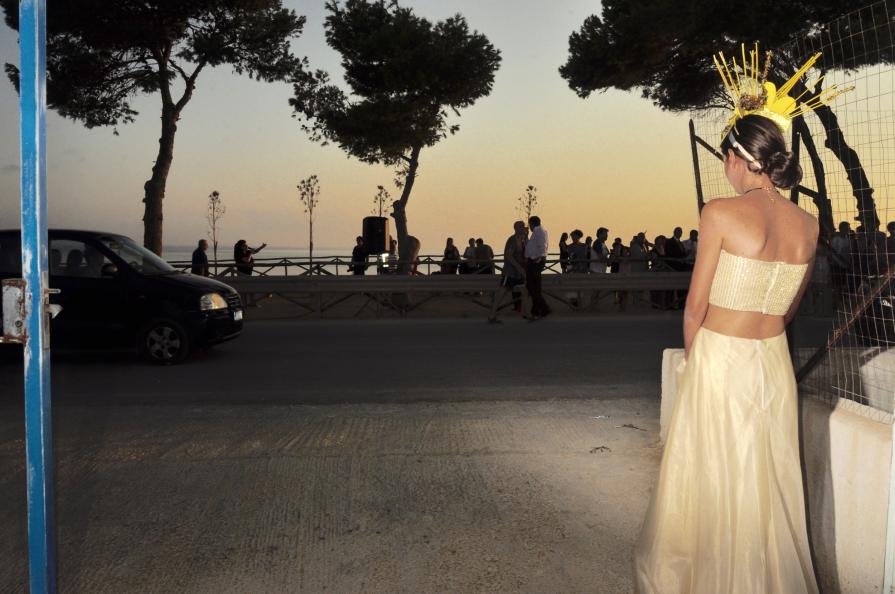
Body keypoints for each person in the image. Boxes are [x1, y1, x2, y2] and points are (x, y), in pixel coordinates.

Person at [634, 46, 834, 594]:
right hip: (771, 360)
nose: (724, 166)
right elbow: (788, 306)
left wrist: (696, 363)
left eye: (725, 156)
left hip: (721, 355)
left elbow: (694, 305)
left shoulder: (720, 212)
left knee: (711, 476)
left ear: (741, 157)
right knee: (764, 481)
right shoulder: (808, 224)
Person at [488, 221, 529, 323]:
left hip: (518, 273)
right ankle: (492, 316)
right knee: (501, 293)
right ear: (516, 228)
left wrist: (527, 236)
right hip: (510, 273)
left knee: (525, 291)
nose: (523, 228)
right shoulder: (512, 240)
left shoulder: (522, 240)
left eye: (524, 227)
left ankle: (525, 313)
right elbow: (508, 256)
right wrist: (519, 267)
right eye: (521, 227)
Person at [524, 215, 550, 319]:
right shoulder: (539, 231)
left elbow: (542, 246)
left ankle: (544, 307)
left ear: (531, 224)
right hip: (536, 260)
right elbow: (531, 245)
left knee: (530, 286)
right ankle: (535, 310)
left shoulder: (538, 231)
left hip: (535, 261)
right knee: (536, 286)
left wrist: (538, 258)